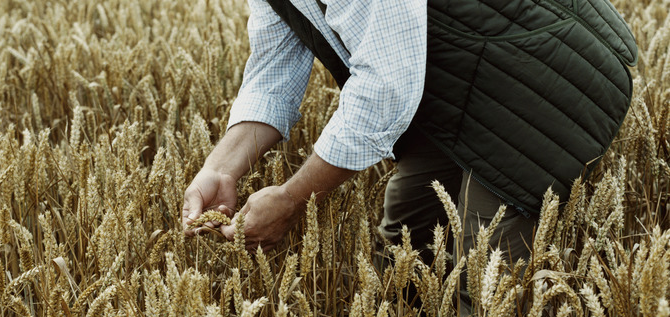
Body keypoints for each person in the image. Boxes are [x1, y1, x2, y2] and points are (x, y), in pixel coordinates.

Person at [182, 0, 637, 263]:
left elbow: (385, 86)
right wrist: (220, 168)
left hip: (538, 80)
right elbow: (272, 75)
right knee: (406, 249)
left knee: (484, 289)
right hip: (454, 89)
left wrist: (292, 198)